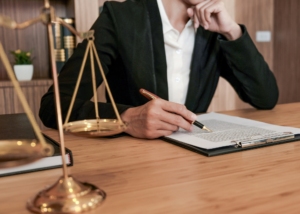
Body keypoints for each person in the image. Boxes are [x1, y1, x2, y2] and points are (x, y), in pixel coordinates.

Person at [39, 0, 279, 139]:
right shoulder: (119, 17)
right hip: (134, 164)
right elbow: (53, 107)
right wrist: (126, 118)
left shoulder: (214, 29)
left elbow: (266, 98)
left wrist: (232, 32)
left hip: (199, 163)